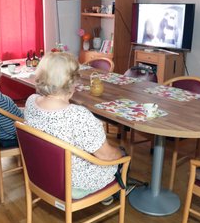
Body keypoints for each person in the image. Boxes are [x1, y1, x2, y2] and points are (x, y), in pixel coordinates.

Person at [24, 52, 128, 200]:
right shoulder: (78, 115)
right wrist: (121, 154)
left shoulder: (31, 101)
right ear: (72, 83)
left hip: (43, 173)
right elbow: (107, 156)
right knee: (121, 154)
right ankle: (111, 193)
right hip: (73, 183)